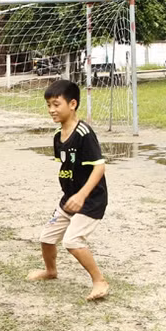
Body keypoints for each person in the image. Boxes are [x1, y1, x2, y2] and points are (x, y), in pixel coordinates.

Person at [27, 80, 110, 301]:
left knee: (72, 241)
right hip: (69, 199)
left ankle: (99, 280)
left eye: (56, 104)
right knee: (46, 237)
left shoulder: (84, 133)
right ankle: (51, 271)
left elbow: (99, 167)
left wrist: (82, 195)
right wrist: (71, 194)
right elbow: (66, 166)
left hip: (90, 200)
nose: (51, 110)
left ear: (72, 104)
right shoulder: (58, 136)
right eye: (48, 105)